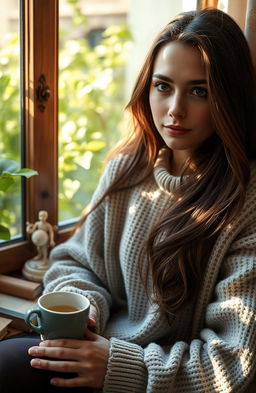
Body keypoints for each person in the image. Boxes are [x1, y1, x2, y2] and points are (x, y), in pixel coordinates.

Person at [1, 7, 256, 393]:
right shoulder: (127, 167)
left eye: (199, 91)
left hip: (157, 380)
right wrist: (84, 311)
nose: (175, 110)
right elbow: (77, 261)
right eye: (163, 86)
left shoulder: (246, 201)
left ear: (228, 97)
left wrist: (122, 367)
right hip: (97, 351)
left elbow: (232, 362)